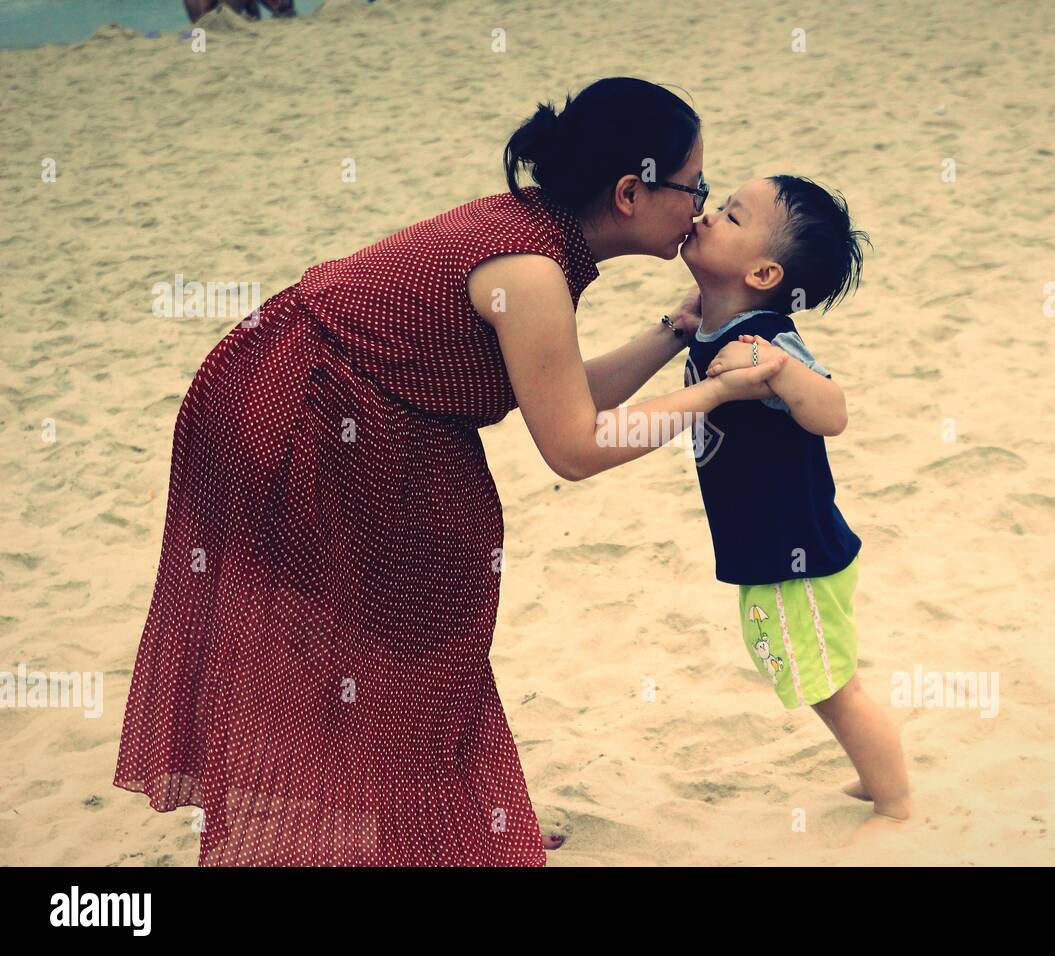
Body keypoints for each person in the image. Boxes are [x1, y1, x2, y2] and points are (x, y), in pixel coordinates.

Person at [112, 76, 788, 866]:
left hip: (352, 398)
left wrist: (677, 332)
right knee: (410, 626)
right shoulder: (532, 270)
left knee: (422, 618)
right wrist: (716, 392)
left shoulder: (542, 242)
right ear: (632, 193)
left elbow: (560, 396)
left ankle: (454, 815)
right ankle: (439, 825)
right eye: (695, 184)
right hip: (294, 400)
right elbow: (572, 447)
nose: (702, 205)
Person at [680, 174, 912, 820]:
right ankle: (875, 775)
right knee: (829, 673)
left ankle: (895, 801)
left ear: (761, 273)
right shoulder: (711, 321)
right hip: (775, 547)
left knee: (830, 687)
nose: (707, 216)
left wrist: (776, 368)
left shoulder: (767, 339)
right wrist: (684, 324)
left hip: (795, 552)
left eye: (730, 216)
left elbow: (833, 410)